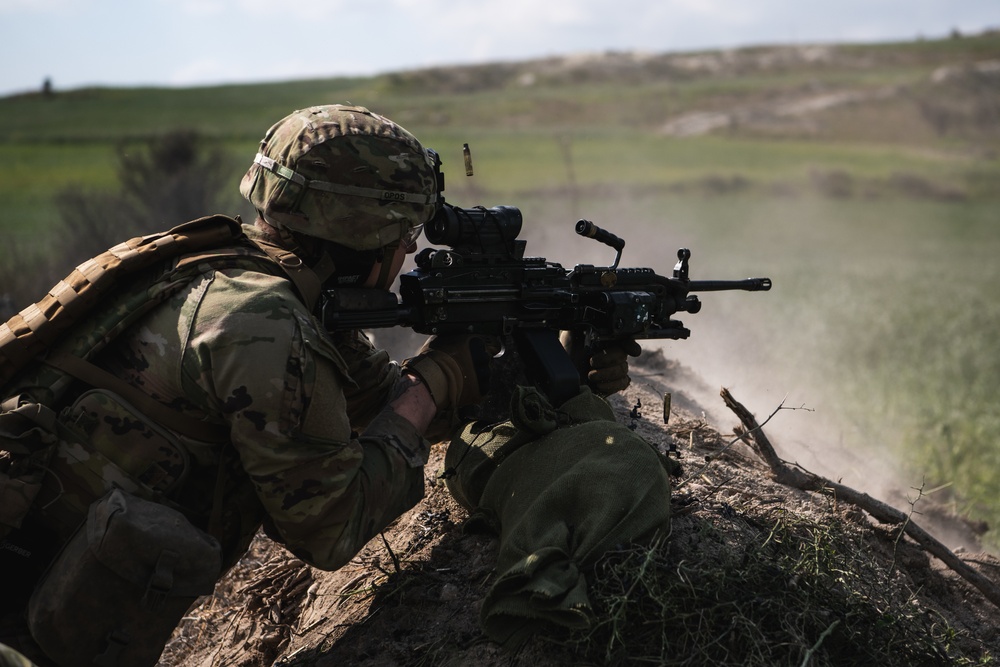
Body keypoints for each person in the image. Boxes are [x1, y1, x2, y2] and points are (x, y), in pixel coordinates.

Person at [0, 104, 635, 666]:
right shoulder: (263, 328)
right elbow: (331, 527)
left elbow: (376, 405)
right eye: (404, 237)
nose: (408, 253)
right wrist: (433, 382)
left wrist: (536, 368)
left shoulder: (227, 271)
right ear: (363, 233)